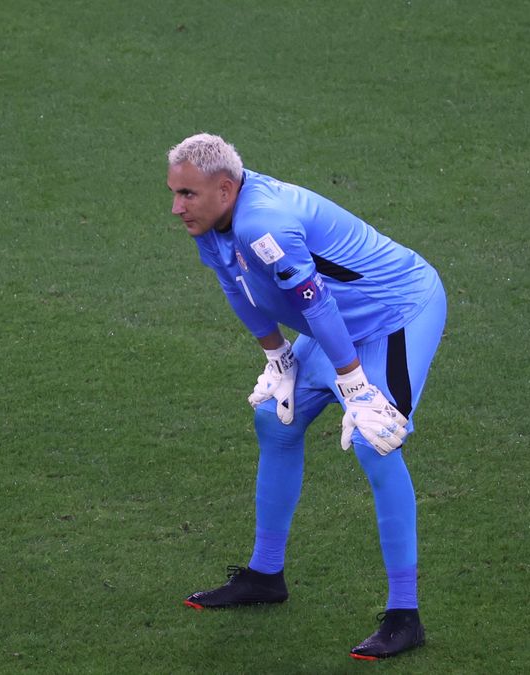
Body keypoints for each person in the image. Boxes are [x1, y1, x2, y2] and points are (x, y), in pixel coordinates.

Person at [165, 132, 446, 661]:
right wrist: (278, 358)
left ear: (225, 188)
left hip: (395, 314)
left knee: (374, 441)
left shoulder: (261, 223)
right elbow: (236, 288)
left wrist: (356, 387)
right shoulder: (213, 221)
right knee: (275, 420)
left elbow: (314, 306)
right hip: (338, 321)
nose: (176, 207)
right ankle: (265, 575)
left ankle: (405, 615)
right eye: (175, 193)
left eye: (187, 195)